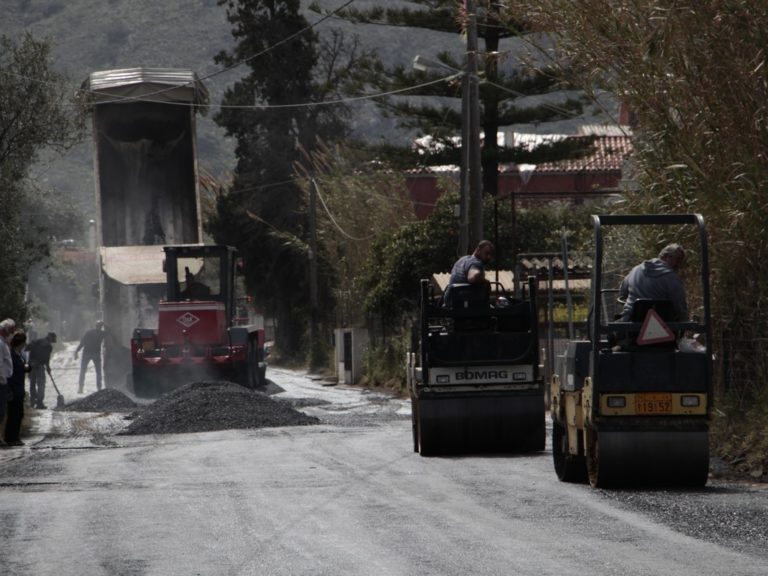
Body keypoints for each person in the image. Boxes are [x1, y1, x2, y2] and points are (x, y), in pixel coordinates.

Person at [618, 243, 688, 322]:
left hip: (631, 322)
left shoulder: (636, 270)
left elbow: (623, 292)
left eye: (680, 261)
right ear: (666, 256)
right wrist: (685, 323)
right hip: (663, 326)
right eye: (677, 260)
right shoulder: (672, 278)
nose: (679, 265)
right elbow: (680, 305)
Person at [4, 331, 28, 446]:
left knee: (19, 413)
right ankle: (11, 438)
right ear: (21, 343)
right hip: (14, 387)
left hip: (19, 387)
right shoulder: (12, 354)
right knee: (14, 413)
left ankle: (15, 437)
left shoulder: (18, 353)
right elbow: (13, 371)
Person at [27, 331, 57, 409]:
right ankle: (39, 403)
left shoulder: (37, 341)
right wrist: (48, 367)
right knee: (41, 384)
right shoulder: (48, 346)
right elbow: (46, 358)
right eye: (53, 339)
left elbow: (27, 349)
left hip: (30, 364)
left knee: (32, 383)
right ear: (50, 337)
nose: (53, 341)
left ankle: (32, 401)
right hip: (39, 366)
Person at [75, 321, 106, 393]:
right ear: (101, 327)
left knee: (83, 371)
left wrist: (77, 351)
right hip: (96, 354)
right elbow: (110, 331)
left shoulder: (89, 332)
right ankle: (99, 388)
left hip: (87, 353)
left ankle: (80, 388)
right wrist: (105, 325)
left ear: (95, 326)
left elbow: (82, 342)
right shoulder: (102, 333)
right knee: (98, 372)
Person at [0, 319, 16, 446]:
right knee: (0, 410)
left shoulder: (4, 343)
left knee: (2, 410)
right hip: (1, 382)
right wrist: (2, 379)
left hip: (4, 381)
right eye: (11, 331)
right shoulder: (0, 344)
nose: (12, 334)